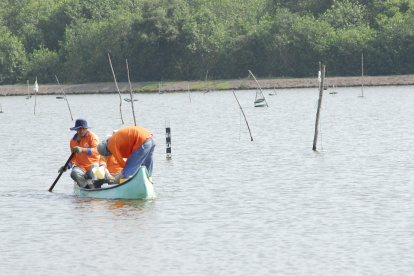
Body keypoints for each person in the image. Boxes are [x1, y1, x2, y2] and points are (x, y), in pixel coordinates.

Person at [59, 118, 100, 188]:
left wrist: (83, 150)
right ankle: (86, 187)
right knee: (73, 173)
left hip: (92, 165)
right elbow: (73, 157)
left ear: (86, 128)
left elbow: (97, 151)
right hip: (81, 168)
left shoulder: (92, 137)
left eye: (83, 129)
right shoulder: (72, 141)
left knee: (95, 168)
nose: (81, 131)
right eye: (79, 129)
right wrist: (67, 166)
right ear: (76, 129)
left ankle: (96, 187)